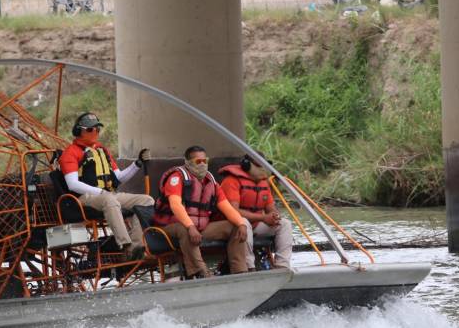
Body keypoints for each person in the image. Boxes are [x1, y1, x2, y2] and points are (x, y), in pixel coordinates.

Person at [58, 112, 154, 260]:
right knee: (110, 200)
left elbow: (119, 177)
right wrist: (101, 192)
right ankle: (125, 246)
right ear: (79, 131)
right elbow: (73, 184)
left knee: (146, 200)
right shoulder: (70, 153)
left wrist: (138, 163)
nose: (95, 133)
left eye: (97, 129)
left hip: (109, 195)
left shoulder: (102, 150)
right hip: (85, 198)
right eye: (90, 130)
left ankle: (137, 246)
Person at [152, 145, 250, 278]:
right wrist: (190, 226)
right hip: (169, 228)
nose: (203, 164)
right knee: (185, 229)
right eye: (198, 162)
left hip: (200, 228)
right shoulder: (177, 177)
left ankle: (240, 271)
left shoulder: (211, 182)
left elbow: (227, 207)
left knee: (235, 226)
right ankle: (201, 272)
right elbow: (176, 205)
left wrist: (241, 224)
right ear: (188, 162)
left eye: (205, 161)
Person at [219, 155, 292, 269]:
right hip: (234, 225)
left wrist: (274, 216)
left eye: (264, 164)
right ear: (247, 165)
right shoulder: (231, 181)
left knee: (285, 224)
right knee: (243, 222)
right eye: (259, 165)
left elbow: (270, 207)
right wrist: (263, 218)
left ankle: (282, 266)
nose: (263, 168)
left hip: (256, 225)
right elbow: (234, 211)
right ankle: (249, 267)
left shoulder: (264, 183)